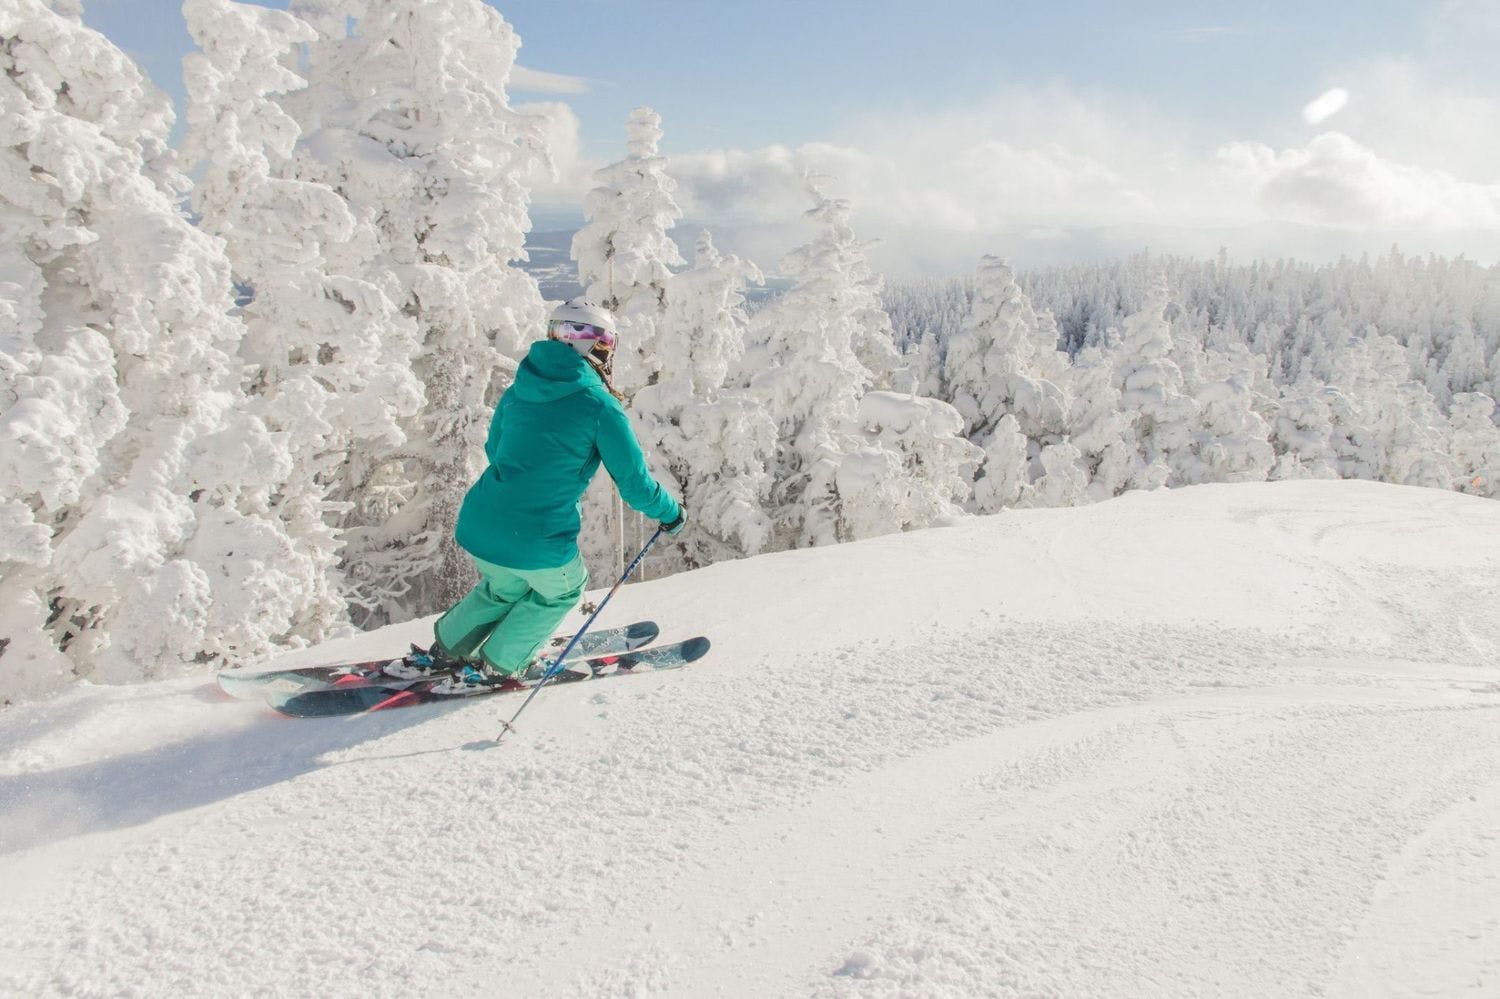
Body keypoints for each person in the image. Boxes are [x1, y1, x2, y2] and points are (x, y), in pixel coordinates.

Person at [388, 299, 684, 692]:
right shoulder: (599, 406)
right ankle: (499, 664)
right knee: (562, 589)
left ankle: (447, 650)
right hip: (537, 535)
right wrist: (671, 513)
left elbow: (495, 451)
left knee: (503, 587)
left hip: (480, 521)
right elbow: (633, 483)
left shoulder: (519, 390)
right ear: (596, 346)